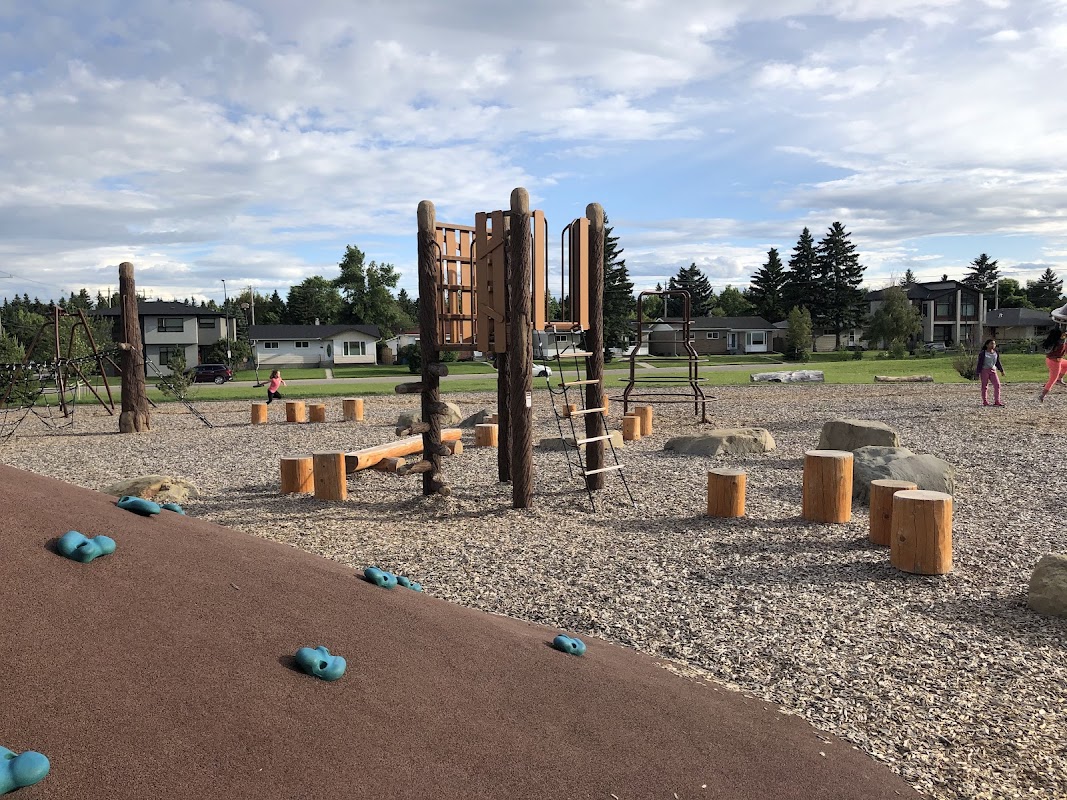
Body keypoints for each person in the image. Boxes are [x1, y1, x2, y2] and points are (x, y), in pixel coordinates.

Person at [975, 339, 1005, 407]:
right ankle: (985, 401)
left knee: (997, 385)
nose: (993, 345)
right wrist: (978, 373)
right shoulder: (983, 353)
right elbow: (979, 364)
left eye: (994, 344)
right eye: (991, 343)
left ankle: (997, 401)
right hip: (984, 370)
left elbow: (997, 362)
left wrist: (1001, 370)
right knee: (984, 386)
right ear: (987, 345)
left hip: (993, 370)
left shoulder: (995, 353)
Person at [1039, 328, 1067, 402]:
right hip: (1055, 362)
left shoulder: (1053, 341)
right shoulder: (1059, 343)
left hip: (1051, 360)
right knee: (1052, 379)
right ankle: (1043, 395)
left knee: (1066, 365)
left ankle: (1059, 379)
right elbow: (1063, 338)